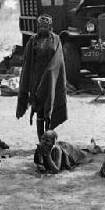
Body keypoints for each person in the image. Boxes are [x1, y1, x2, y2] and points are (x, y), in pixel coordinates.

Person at [16, 14, 67, 142]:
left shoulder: (56, 39)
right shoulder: (33, 40)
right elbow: (27, 62)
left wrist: (50, 73)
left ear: (50, 27)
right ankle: (41, 141)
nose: (43, 28)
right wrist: (26, 84)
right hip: (37, 79)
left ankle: (48, 140)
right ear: (38, 27)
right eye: (41, 26)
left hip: (51, 80)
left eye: (46, 26)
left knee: (49, 109)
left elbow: (58, 59)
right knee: (38, 109)